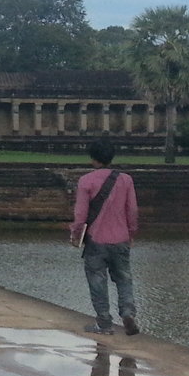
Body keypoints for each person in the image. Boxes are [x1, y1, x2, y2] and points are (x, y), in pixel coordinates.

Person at [69, 139, 139, 336]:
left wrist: (76, 234)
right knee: (124, 278)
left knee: (97, 281)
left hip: (95, 240)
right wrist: (131, 233)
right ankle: (127, 312)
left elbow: (81, 214)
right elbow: (132, 211)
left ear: (93, 158)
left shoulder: (86, 181)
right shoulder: (126, 180)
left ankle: (104, 323)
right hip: (121, 238)